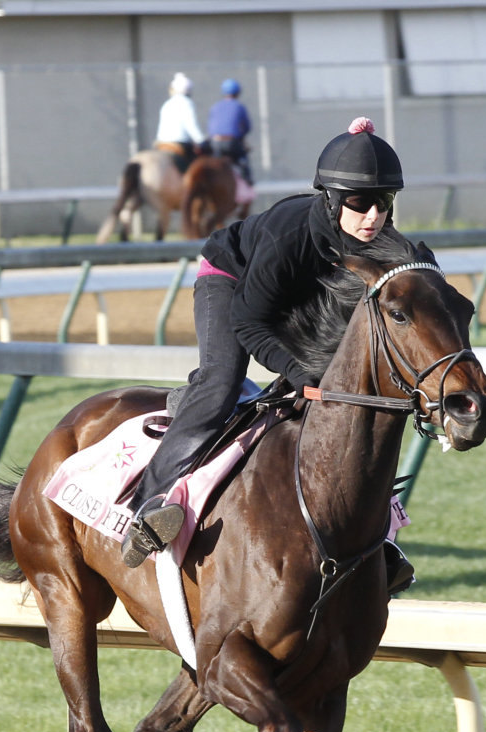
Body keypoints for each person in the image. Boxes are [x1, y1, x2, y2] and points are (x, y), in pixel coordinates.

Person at [122, 116, 415, 594]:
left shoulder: (383, 240)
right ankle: (147, 505)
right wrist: (299, 374)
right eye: (360, 203)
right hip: (234, 281)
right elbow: (250, 322)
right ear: (332, 199)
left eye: (383, 203)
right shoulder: (287, 231)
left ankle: (374, 538)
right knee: (222, 380)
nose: (373, 217)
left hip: (298, 295)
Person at [154, 72, 206, 174]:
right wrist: (201, 141)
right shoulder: (187, 103)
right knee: (196, 170)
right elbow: (191, 125)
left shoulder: (167, 104)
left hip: (161, 142)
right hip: (180, 144)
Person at [207, 78, 253, 184]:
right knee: (242, 157)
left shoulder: (215, 106)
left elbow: (211, 128)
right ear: (238, 93)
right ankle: (247, 180)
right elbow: (247, 127)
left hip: (215, 143)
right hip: (231, 143)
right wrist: (240, 136)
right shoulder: (239, 106)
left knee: (214, 165)